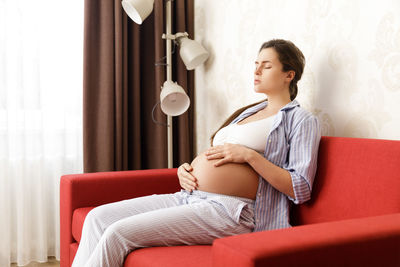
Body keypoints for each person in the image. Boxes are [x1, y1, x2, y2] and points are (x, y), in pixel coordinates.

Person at [72, 39, 321, 267]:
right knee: (97, 218)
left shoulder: (300, 120)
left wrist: (249, 156)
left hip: (232, 212)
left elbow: (300, 188)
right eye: (256, 64)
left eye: (266, 66)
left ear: (290, 74)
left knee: (118, 233)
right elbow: (217, 155)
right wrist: (187, 169)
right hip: (189, 196)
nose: (256, 71)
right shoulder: (250, 112)